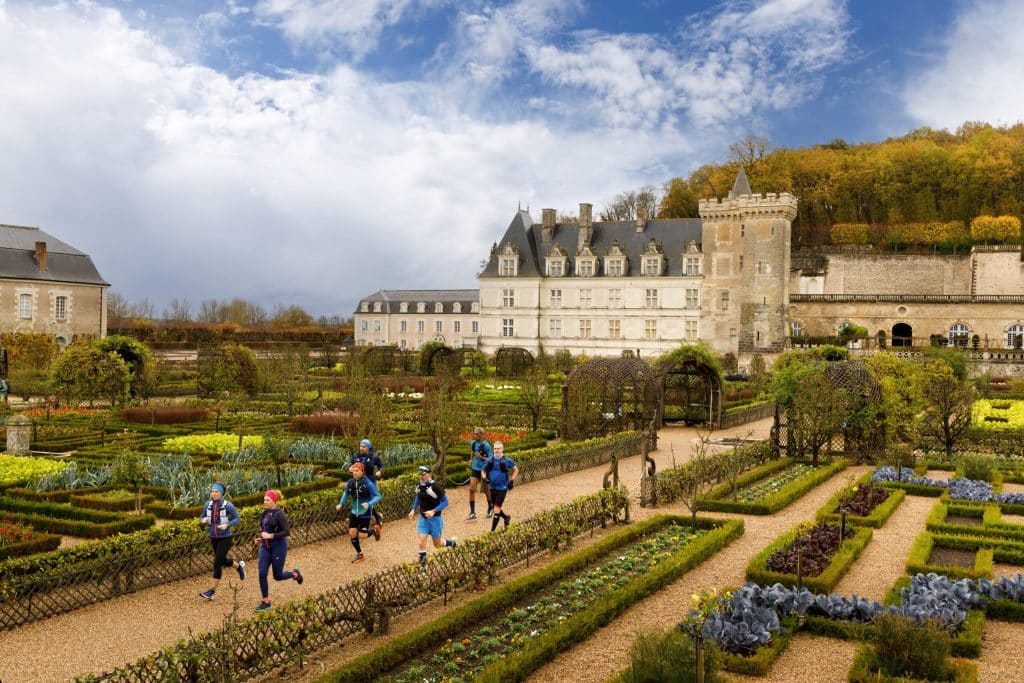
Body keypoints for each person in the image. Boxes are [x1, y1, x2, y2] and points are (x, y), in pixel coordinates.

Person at [254, 489, 303, 612]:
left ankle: (295, 574)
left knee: (278, 576)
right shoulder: (264, 513)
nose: (265, 502)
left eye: (268, 500)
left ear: (274, 501)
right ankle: (266, 601)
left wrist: (270, 536)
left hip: (278, 547)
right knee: (262, 573)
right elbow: (265, 529)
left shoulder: (279, 513)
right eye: (264, 499)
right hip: (265, 548)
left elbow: (287, 532)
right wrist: (260, 538)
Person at [198, 483, 245, 600]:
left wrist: (227, 524)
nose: (213, 494)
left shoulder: (228, 506)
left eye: (216, 492)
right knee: (222, 560)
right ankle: (238, 567)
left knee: (217, 563)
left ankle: (212, 591)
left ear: (222, 493)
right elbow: (202, 518)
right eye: (212, 491)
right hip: (213, 537)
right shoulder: (207, 505)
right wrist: (203, 521)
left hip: (225, 538)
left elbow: (237, 518)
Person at [407, 465, 457, 567]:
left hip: (435, 519)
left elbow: (445, 502)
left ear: (429, 474)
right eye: (420, 474)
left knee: (437, 544)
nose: (421, 476)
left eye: (423, 474)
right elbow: (418, 497)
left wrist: (433, 511)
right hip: (423, 518)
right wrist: (413, 509)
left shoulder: (435, 486)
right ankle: (423, 568)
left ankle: (452, 543)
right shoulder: (419, 485)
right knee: (421, 543)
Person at [336, 462, 382, 563]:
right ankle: (360, 554)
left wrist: (369, 504)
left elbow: (378, 496)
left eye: (357, 471)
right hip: (354, 511)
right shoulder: (351, 482)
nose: (355, 473)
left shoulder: (367, 483)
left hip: (365, 512)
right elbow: (346, 493)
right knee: (352, 533)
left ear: (362, 471)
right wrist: (340, 504)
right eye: (353, 471)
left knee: (363, 536)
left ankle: (375, 530)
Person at [351, 438, 385, 535]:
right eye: (361, 446)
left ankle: (365, 523)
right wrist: (350, 468)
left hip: (370, 482)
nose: (361, 448)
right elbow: (351, 464)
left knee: (367, 501)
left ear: (368, 448)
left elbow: (382, 466)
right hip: (359, 482)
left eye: (364, 446)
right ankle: (377, 516)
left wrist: (380, 471)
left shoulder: (374, 457)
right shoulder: (356, 456)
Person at [483, 441, 518, 531]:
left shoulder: (507, 460)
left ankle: (492, 531)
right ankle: (506, 517)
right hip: (492, 487)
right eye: (495, 448)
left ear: (502, 449)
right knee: (495, 507)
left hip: (502, 488)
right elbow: (483, 471)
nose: (496, 450)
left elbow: (516, 470)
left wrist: (512, 481)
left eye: (498, 448)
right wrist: (484, 478)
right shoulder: (489, 460)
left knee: (496, 509)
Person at [467, 427, 493, 520]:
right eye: (474, 434)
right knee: (471, 489)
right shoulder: (473, 443)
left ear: (482, 435)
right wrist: (471, 459)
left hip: (484, 470)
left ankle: (490, 507)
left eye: (477, 434)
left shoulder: (486, 446)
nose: (475, 435)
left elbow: (491, 459)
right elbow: (473, 451)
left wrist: (481, 457)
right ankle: (472, 512)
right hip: (475, 469)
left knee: (486, 490)